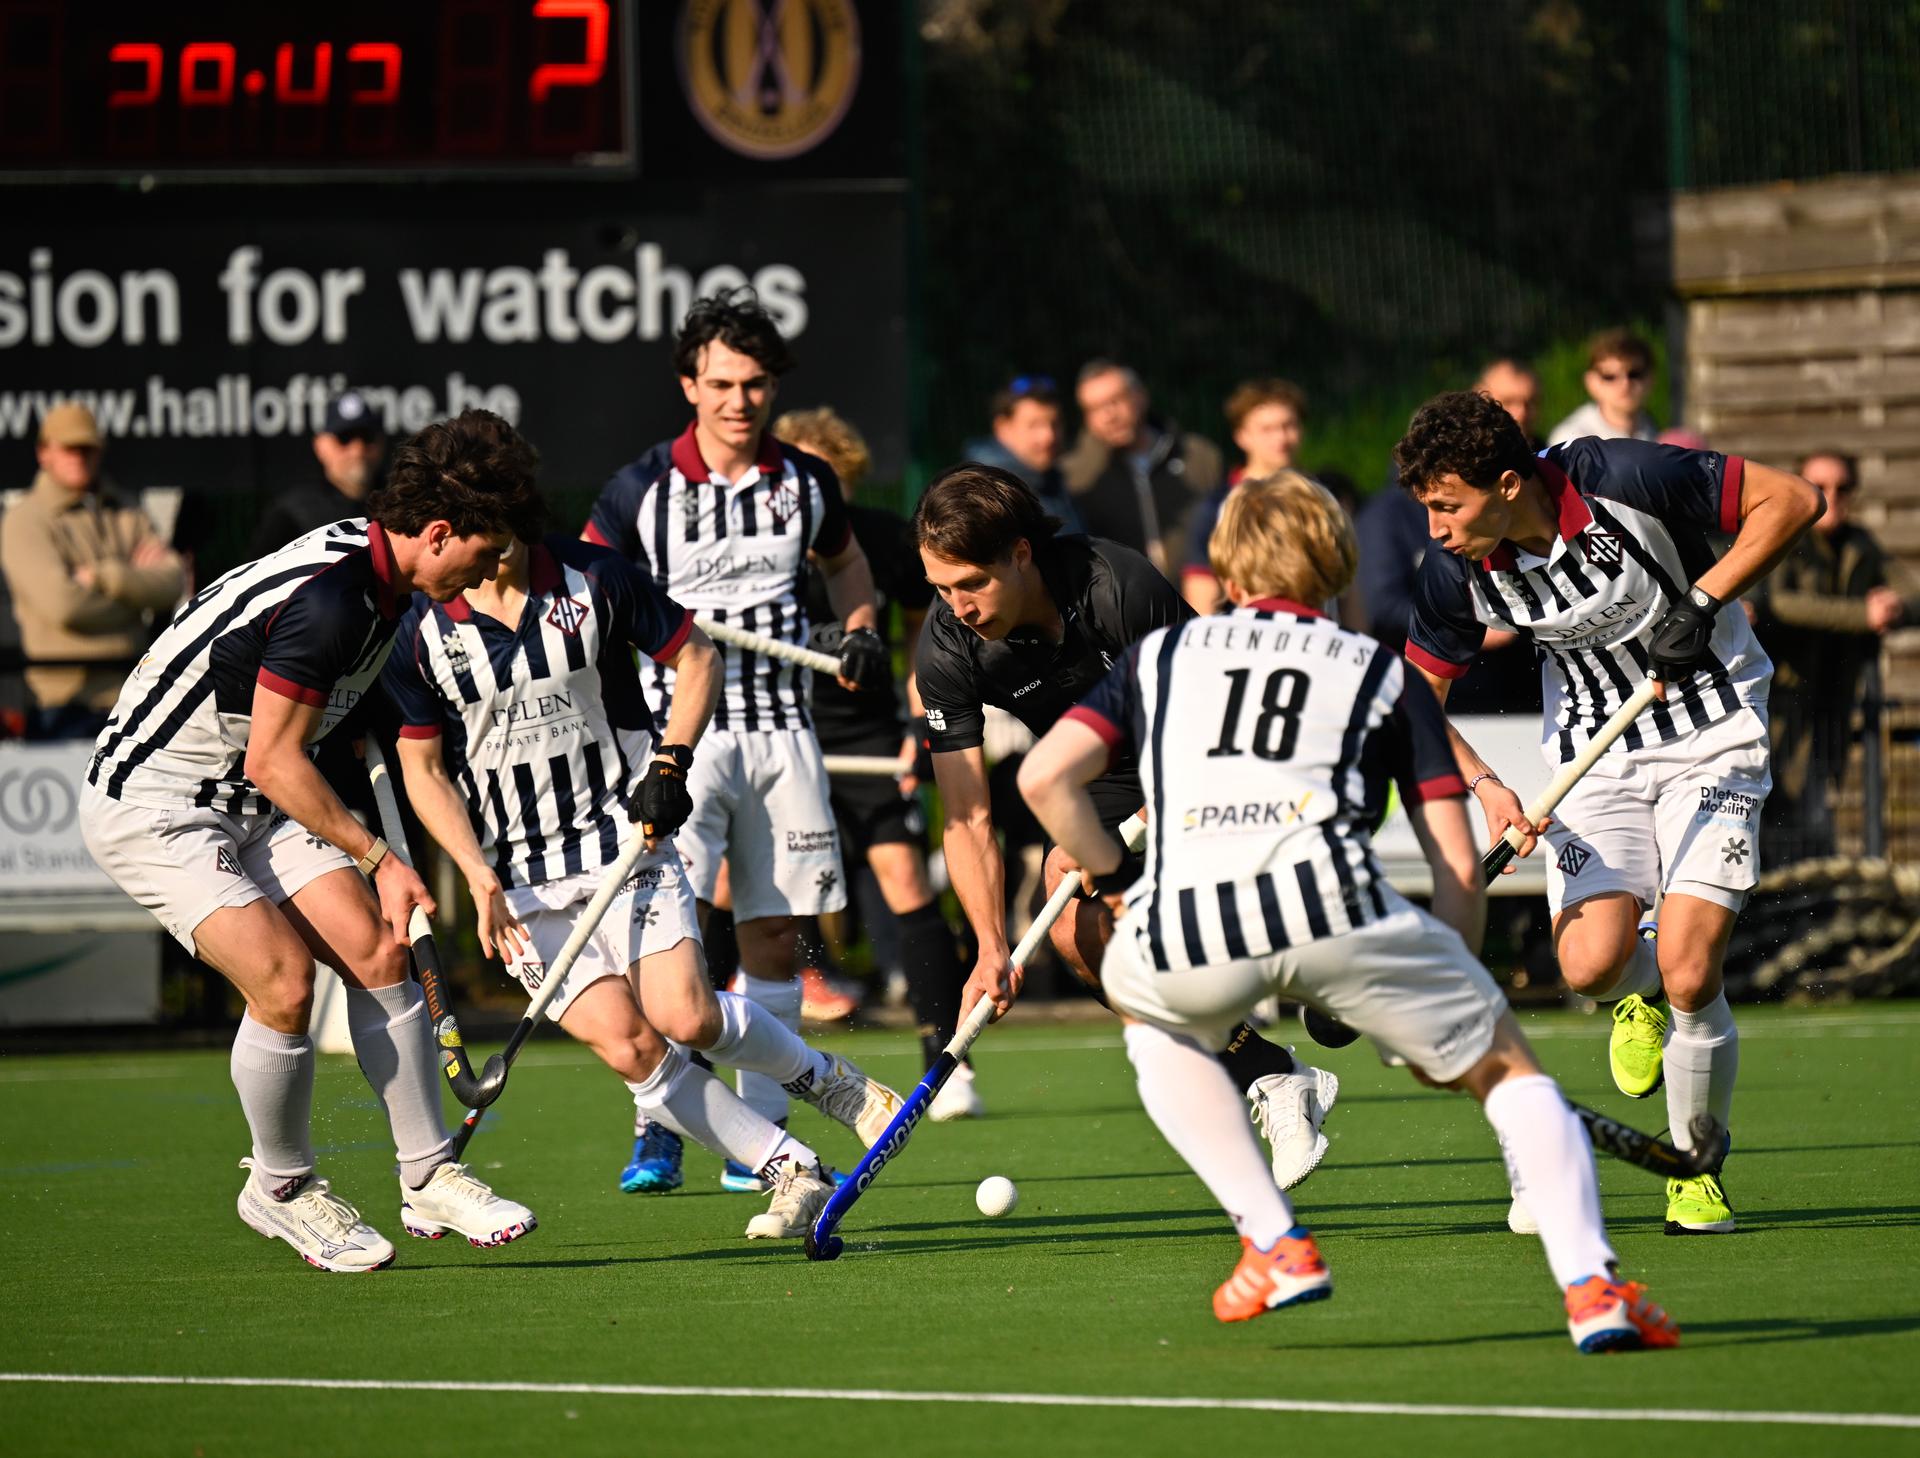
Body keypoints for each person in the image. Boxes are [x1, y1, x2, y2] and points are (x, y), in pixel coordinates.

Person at [1014, 471, 1680, 1351]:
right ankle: (1593, 1286)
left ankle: (1273, 1240)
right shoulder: (1378, 670)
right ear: (1334, 563)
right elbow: (1452, 854)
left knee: (1152, 1022)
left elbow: (1041, 779)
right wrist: (1452, 983)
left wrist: (1105, 865)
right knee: (1510, 1074)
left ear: (1227, 566)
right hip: (1336, 907)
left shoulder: (1160, 658)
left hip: (1189, 921)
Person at [77, 409, 548, 1272]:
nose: (490, 573)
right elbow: (274, 758)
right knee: (284, 980)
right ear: (438, 533)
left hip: (257, 795)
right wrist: (379, 857)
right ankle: (282, 1188)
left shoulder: (385, 579)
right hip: (159, 801)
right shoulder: (334, 598)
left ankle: (428, 1173)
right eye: (482, 555)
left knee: (377, 953)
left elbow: (306, 743)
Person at [384, 531, 901, 1237]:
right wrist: (476, 875)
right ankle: (793, 1171)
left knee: (685, 1017)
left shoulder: (594, 578)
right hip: (520, 884)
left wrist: (669, 766)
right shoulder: (422, 627)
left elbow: (696, 658)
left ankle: (829, 1082)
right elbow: (424, 769)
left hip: (623, 847)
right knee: (631, 1048)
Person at [1396, 390, 1820, 1237]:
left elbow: (1793, 500)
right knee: (1591, 966)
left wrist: (1700, 605)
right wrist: (1489, 789)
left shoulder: (1625, 474)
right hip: (1592, 756)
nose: (1436, 528)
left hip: (1713, 731)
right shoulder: (1454, 571)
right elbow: (1416, 702)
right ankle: (1640, 995)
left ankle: (1693, 1167)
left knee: (1693, 973)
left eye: (1449, 506)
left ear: (1510, 484)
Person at [914, 463, 1339, 1187]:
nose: (957, 607)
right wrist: (990, 948)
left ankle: (1327, 977)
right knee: (1073, 921)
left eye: (972, 584)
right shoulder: (948, 649)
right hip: (1105, 775)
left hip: (1218, 756)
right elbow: (967, 814)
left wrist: (1155, 823)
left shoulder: (1117, 586)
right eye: (940, 588)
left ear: (1021, 553)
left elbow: (1216, 717)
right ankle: (1270, 1073)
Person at [586, 287, 892, 1194]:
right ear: (689, 384)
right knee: (660, 939)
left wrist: (862, 626)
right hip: (679, 741)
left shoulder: (805, 479)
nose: (739, 401)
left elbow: (843, 562)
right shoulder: (640, 489)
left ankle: (764, 1139)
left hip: (781, 733)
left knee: (773, 935)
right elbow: (593, 597)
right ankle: (660, 1130)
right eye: (721, 383)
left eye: (755, 384)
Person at [776, 407, 980, 1117]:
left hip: (866, 739)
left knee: (903, 878)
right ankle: (741, 1066)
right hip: (783, 737)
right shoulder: (759, 551)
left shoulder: (887, 543)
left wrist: (918, 729)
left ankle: (945, 1061)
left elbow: (926, 651)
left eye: (822, 472)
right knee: (747, 890)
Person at [1753, 450, 1920, 860]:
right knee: (1776, 809)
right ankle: (1779, 911)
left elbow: (1911, 594)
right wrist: (1861, 614)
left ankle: (1805, 908)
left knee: (1814, 807)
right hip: (1779, 700)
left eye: (1843, 488)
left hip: (1832, 702)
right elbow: (1776, 603)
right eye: (1819, 487)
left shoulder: (1859, 542)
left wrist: (1894, 607)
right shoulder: (1784, 534)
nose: (1832, 497)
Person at [1358, 359, 1542, 715]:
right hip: (1456, 695)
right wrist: (1471, 621)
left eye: (1529, 402)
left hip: (1537, 696)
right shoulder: (1389, 515)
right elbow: (1381, 605)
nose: (1520, 414)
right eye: (1507, 402)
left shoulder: (1560, 478)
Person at [2, 402, 184, 740]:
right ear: (44, 453)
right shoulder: (24, 520)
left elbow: (173, 583)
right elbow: (64, 606)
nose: (79, 457)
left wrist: (104, 578)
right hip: (63, 705)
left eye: (88, 448)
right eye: (70, 448)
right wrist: (136, 598)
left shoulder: (124, 507)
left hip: (134, 695)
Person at [1062, 360, 1223, 579]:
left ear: (1140, 396)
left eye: (1115, 401)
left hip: (1200, 600)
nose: (1109, 416)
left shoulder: (1199, 457)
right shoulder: (1076, 476)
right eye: (1095, 409)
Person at [1179, 378, 1307, 615]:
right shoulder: (1216, 509)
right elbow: (1202, 600)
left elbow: (1349, 590)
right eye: (1267, 429)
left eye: (1289, 425)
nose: (1281, 438)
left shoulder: (1322, 497)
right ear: (1241, 436)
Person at [250, 390, 389, 556]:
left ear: (381, 442)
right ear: (320, 445)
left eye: (367, 437)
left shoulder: (399, 502)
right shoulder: (293, 512)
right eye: (344, 438)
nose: (357, 450)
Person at [961, 375, 1085, 533]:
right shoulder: (988, 499)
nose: (1049, 436)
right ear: (1002, 428)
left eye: (1055, 423)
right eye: (1034, 425)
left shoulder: (1051, 478)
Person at [1548, 329, 1660, 446]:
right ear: (1591, 382)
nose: (1625, 383)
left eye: (1635, 374)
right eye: (1609, 376)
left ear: (1651, 378)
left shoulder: (1653, 432)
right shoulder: (1571, 439)